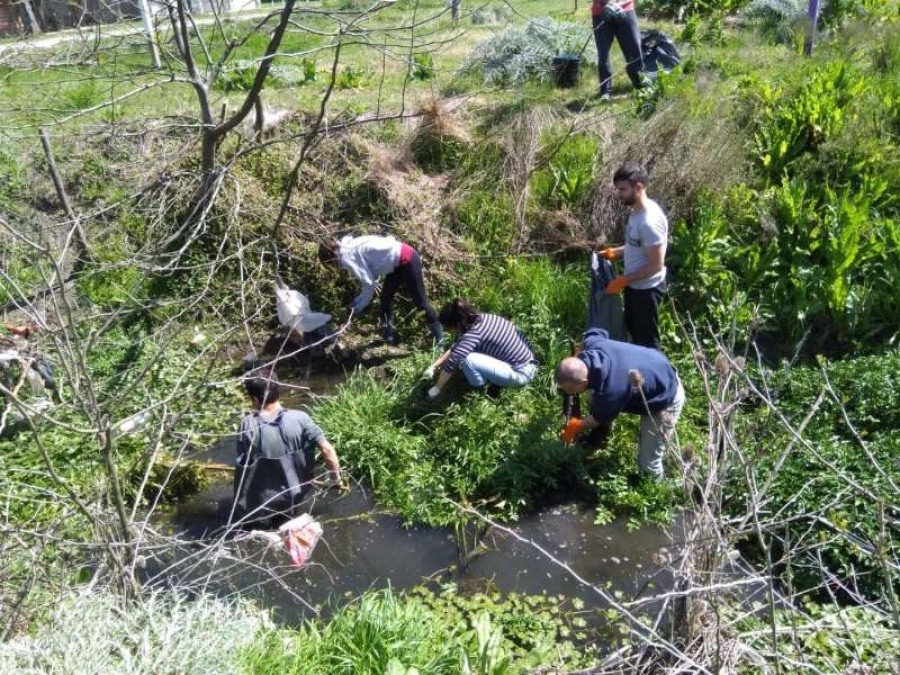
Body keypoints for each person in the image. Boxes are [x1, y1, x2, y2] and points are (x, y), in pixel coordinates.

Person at [555, 327, 684, 480]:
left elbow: (597, 418)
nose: (570, 394)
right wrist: (577, 354)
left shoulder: (612, 390)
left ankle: (664, 490)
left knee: (648, 465)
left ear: (584, 381)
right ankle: (602, 434)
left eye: (571, 390)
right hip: (656, 365)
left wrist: (575, 426)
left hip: (666, 396)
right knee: (592, 395)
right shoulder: (592, 344)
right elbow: (596, 331)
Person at [232, 368, 345, 528]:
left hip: (264, 500)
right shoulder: (301, 418)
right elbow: (328, 450)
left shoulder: (247, 425)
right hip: (295, 493)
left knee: (258, 530)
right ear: (277, 390)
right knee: (288, 525)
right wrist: (335, 479)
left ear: (255, 399)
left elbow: (243, 466)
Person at [318, 235, 443, 346]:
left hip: (407, 258)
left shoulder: (347, 257)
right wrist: (358, 301)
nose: (334, 266)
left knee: (421, 303)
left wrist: (359, 306)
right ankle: (389, 335)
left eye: (330, 264)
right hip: (396, 263)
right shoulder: (347, 247)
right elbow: (369, 277)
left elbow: (369, 283)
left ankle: (440, 340)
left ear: (331, 256)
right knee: (385, 299)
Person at [599, 162, 668, 350]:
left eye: (622, 189)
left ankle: (653, 367)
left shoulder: (649, 222)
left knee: (647, 342)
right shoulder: (636, 211)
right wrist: (615, 252)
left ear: (638, 187)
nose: (618, 194)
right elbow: (636, 245)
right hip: (634, 285)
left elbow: (656, 265)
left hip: (646, 290)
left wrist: (623, 280)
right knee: (633, 329)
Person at [423, 298, 537, 398]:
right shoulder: (484, 318)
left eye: (447, 328)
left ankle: (481, 389)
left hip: (521, 374)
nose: (447, 331)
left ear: (456, 325)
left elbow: (452, 362)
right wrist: (433, 366)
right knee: (466, 354)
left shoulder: (473, 335)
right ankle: (496, 380)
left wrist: (436, 389)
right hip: (529, 360)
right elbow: (456, 348)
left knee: (467, 360)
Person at [591, 0, 646, 100]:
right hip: (601, 12)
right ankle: (605, 91)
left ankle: (640, 85)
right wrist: (607, 4)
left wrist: (617, 3)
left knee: (634, 48)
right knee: (603, 53)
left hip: (626, 9)